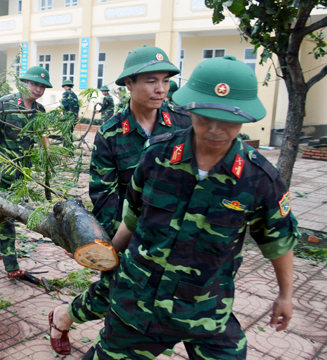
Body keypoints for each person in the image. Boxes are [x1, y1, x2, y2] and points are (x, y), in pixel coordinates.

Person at [84, 55, 299, 359]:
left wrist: (285, 296)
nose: (214, 129)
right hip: (138, 305)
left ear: (246, 117)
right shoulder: (157, 155)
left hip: (205, 309)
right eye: (204, 117)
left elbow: (279, 242)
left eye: (227, 120)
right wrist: (105, 257)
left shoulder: (259, 179)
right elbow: (131, 221)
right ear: (191, 108)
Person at [49, 45, 191, 355]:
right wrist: (120, 241)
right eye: (151, 80)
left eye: (165, 80)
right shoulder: (112, 133)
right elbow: (103, 194)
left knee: (155, 300)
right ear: (129, 84)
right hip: (130, 234)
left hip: (177, 237)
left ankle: (63, 317)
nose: (161, 89)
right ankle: (65, 318)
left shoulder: (184, 123)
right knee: (118, 292)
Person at [0, 66, 51, 279]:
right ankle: (11, 265)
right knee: (9, 213)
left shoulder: (39, 111)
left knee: (1, 211)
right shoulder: (5, 103)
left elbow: (43, 134)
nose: (38, 89)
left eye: (42, 86)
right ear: (25, 83)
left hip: (20, 173)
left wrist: (48, 157)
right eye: (35, 84)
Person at [59, 79, 80, 148]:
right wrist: (77, 117)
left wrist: (58, 113)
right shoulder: (75, 95)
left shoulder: (65, 94)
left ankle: (66, 149)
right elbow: (78, 107)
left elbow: (63, 105)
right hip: (73, 118)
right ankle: (70, 149)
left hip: (67, 118)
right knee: (70, 133)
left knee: (66, 133)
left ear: (65, 86)